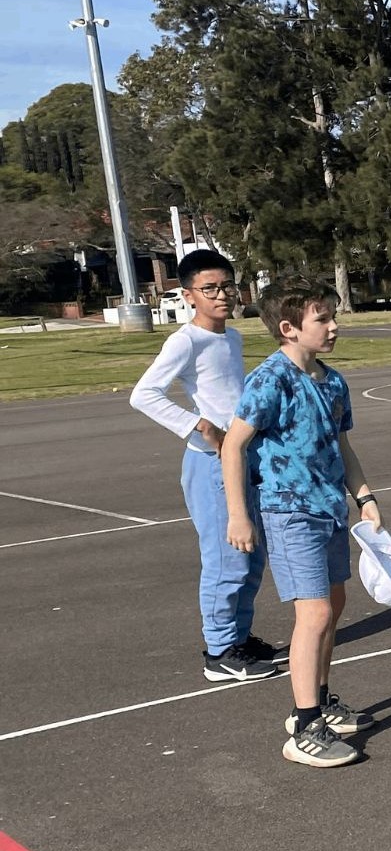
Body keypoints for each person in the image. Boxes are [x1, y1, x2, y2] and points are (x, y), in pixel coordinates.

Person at [220, 277, 383, 768]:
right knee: (311, 615)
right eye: (323, 319)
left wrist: (365, 496)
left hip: (330, 507)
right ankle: (304, 723)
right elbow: (234, 445)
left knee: (333, 606)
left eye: (334, 316)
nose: (334, 327)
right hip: (290, 513)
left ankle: (322, 698)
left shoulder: (332, 381)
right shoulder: (269, 380)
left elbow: (343, 447)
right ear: (289, 328)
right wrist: (238, 514)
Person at [129, 249, 282, 681]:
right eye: (210, 288)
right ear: (188, 294)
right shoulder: (186, 340)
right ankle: (219, 652)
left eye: (227, 286)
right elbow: (144, 394)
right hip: (210, 465)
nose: (221, 296)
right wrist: (198, 426)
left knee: (251, 555)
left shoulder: (230, 337)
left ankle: (239, 636)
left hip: (243, 459)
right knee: (225, 559)